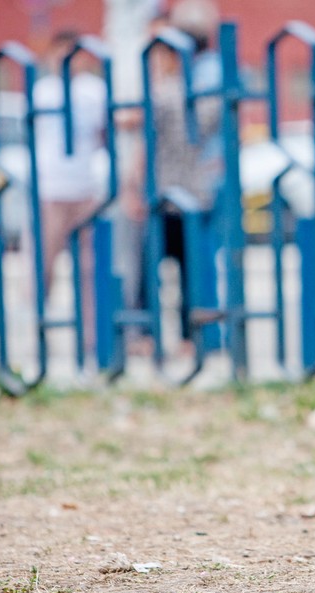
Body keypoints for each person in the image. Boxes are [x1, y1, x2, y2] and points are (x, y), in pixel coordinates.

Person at [121, 0, 222, 357]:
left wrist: (131, 187)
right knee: (191, 269)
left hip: (160, 192)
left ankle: (146, 336)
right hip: (194, 191)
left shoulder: (161, 96)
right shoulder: (205, 94)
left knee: (150, 269)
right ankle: (192, 338)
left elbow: (145, 146)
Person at [32, 30, 108, 353]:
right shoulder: (43, 92)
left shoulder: (94, 91)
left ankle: (91, 335)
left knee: (89, 267)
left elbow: (104, 134)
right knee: (43, 264)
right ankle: (38, 328)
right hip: (51, 187)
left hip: (85, 187)